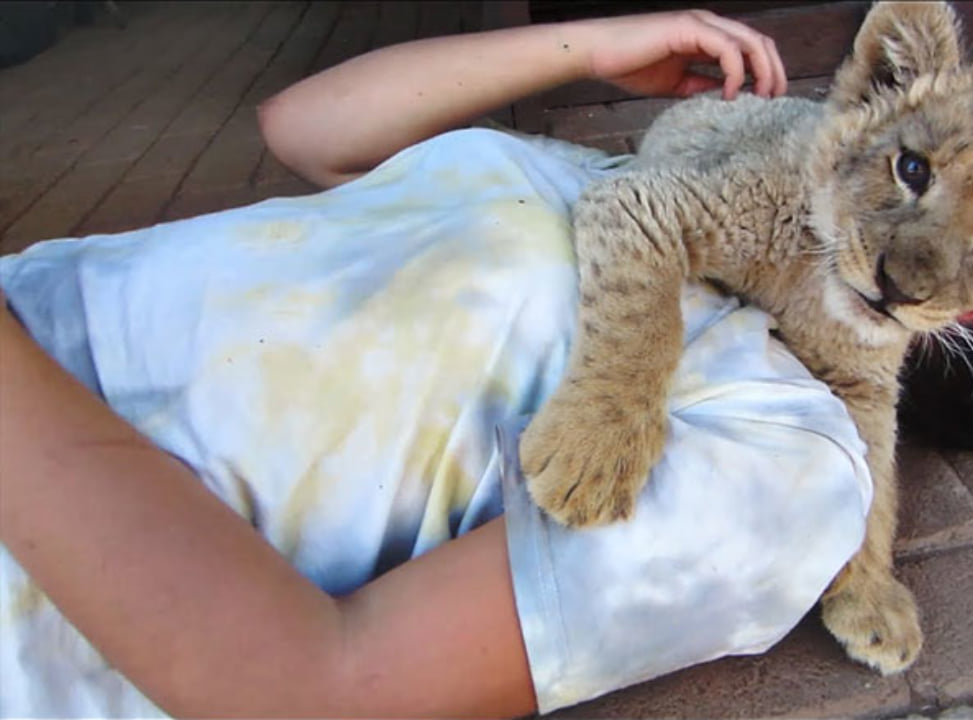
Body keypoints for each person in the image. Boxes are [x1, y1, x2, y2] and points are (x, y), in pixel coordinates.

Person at [0, 10, 871, 718]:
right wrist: (591, 48)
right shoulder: (619, 185)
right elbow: (303, 127)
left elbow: (316, 688)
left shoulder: (782, 452)